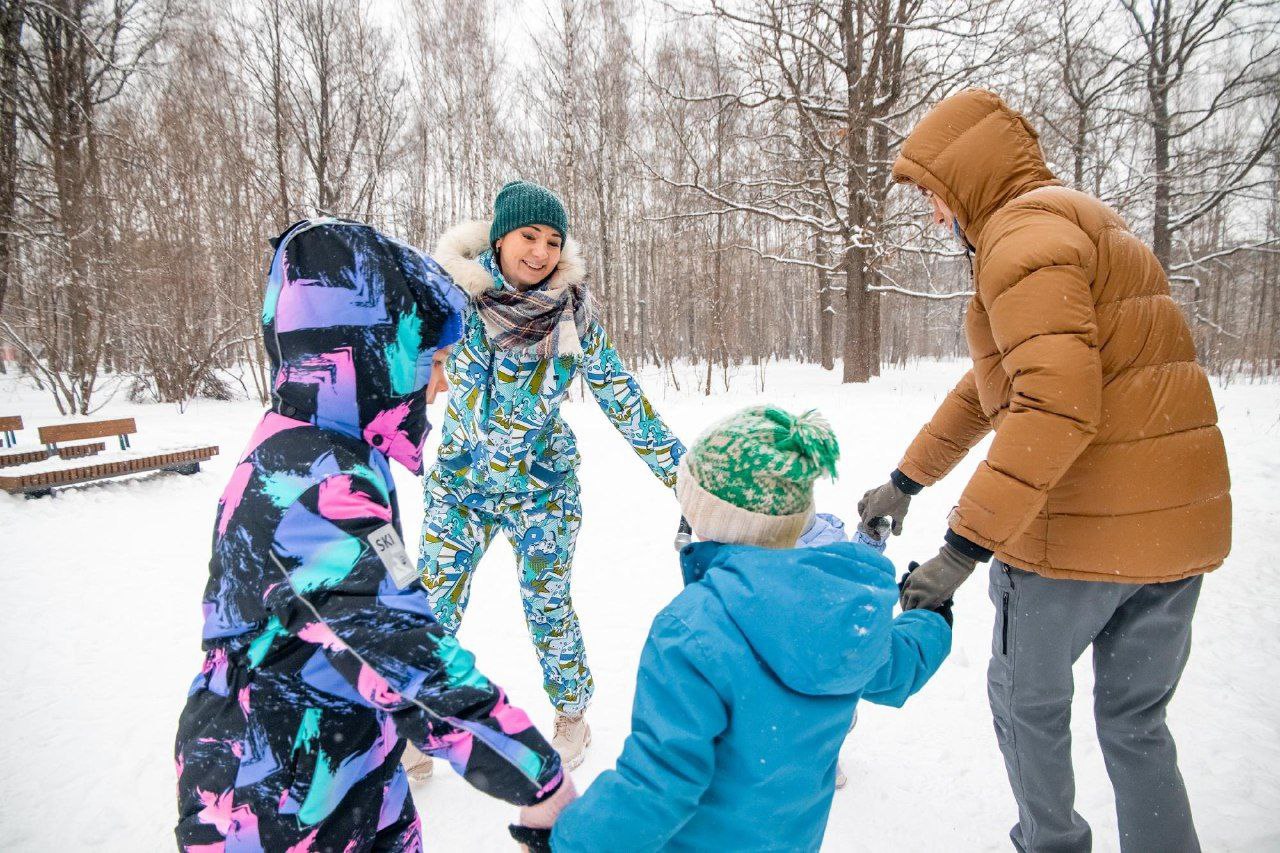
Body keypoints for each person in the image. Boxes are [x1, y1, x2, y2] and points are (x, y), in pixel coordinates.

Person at [859, 89, 1231, 852]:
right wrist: (907, 479)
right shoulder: (1083, 221)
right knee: (1136, 721)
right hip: (1174, 534)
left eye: (933, 194)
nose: (934, 213)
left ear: (967, 178)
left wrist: (962, 549)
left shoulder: (1018, 240)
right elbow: (991, 384)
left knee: (1028, 707)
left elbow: (1054, 404)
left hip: (1075, 539)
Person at [174, 219, 573, 851]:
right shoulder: (310, 480)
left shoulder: (329, 448)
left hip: (343, 763)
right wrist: (540, 781)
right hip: (271, 801)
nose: (440, 384)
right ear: (373, 355)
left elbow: (379, 606)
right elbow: (398, 650)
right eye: (430, 361)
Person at [518, 406, 951, 852]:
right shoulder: (841, 613)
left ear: (710, 517)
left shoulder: (691, 629)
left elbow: (657, 788)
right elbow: (897, 667)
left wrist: (563, 841)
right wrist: (932, 620)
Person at [408, 181, 685, 777]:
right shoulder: (452, 299)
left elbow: (621, 397)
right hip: (460, 489)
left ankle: (571, 714)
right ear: (499, 237)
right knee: (430, 608)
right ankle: (418, 722)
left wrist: (685, 477)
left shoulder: (570, 315)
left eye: (553, 241)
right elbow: (400, 362)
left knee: (548, 607)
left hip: (542, 491)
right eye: (528, 236)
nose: (540, 252)